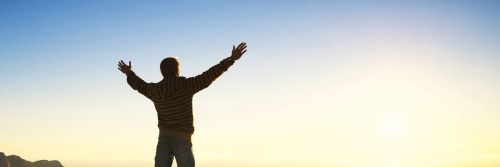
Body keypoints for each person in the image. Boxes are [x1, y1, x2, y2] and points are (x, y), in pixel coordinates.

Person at [117, 42, 247, 167]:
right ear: (177, 70)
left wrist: (129, 73)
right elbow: (209, 75)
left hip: (164, 138)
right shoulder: (186, 86)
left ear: (162, 72)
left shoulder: (155, 91)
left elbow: (139, 85)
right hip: (183, 139)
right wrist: (231, 59)